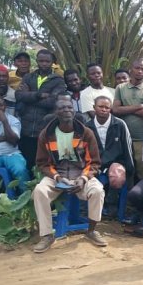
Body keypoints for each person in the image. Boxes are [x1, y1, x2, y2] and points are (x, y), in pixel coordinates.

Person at [31, 97, 107, 252]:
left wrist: (83, 178)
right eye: (62, 108)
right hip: (57, 175)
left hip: (81, 174)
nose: (66, 110)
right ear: (55, 112)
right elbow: (42, 163)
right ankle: (46, 236)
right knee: (39, 191)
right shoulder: (46, 134)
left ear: (74, 111)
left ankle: (91, 230)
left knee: (97, 190)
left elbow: (94, 162)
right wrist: (58, 178)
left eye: (69, 107)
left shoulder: (86, 133)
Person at [15, 48, 67, 168]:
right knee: (26, 163)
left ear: (52, 62)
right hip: (26, 129)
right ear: (37, 61)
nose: (44, 64)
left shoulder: (58, 80)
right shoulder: (28, 77)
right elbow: (18, 95)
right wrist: (38, 95)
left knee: (43, 163)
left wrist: (29, 97)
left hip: (45, 129)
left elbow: (53, 102)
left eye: (47, 61)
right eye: (41, 61)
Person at [112, 62, 143, 183]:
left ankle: (140, 200)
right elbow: (115, 110)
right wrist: (138, 106)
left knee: (142, 172)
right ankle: (124, 201)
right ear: (131, 70)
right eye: (137, 68)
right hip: (122, 138)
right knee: (124, 171)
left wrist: (125, 108)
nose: (140, 71)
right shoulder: (120, 88)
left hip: (142, 139)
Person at [86, 95, 134, 203]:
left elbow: (127, 148)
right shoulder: (87, 127)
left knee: (117, 177)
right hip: (93, 163)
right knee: (83, 178)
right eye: (100, 106)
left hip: (115, 161)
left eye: (107, 107)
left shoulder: (119, 124)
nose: (103, 110)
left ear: (110, 108)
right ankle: (87, 207)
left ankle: (112, 203)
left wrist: (130, 171)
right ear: (94, 107)